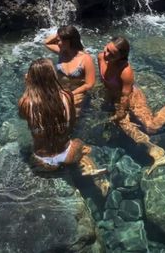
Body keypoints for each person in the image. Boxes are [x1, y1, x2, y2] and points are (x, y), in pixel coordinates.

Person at [98, 37, 165, 174]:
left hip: (131, 97)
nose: (106, 54)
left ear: (121, 56)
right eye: (107, 49)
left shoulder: (126, 71)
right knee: (124, 124)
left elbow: (125, 96)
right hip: (113, 96)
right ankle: (153, 150)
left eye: (112, 53)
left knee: (151, 127)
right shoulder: (101, 57)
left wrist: (120, 112)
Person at [18, 58, 110, 194]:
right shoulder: (66, 96)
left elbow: (23, 117)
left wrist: (28, 86)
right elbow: (71, 123)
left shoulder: (25, 102)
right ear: (53, 76)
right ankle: (97, 178)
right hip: (67, 154)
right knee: (79, 143)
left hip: (42, 160)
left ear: (31, 79)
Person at [44, 25, 96, 115]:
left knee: (71, 116)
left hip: (77, 93)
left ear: (68, 41)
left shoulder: (85, 59)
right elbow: (46, 42)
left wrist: (71, 94)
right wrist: (59, 33)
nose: (57, 42)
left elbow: (89, 84)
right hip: (60, 91)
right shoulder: (61, 51)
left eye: (59, 40)